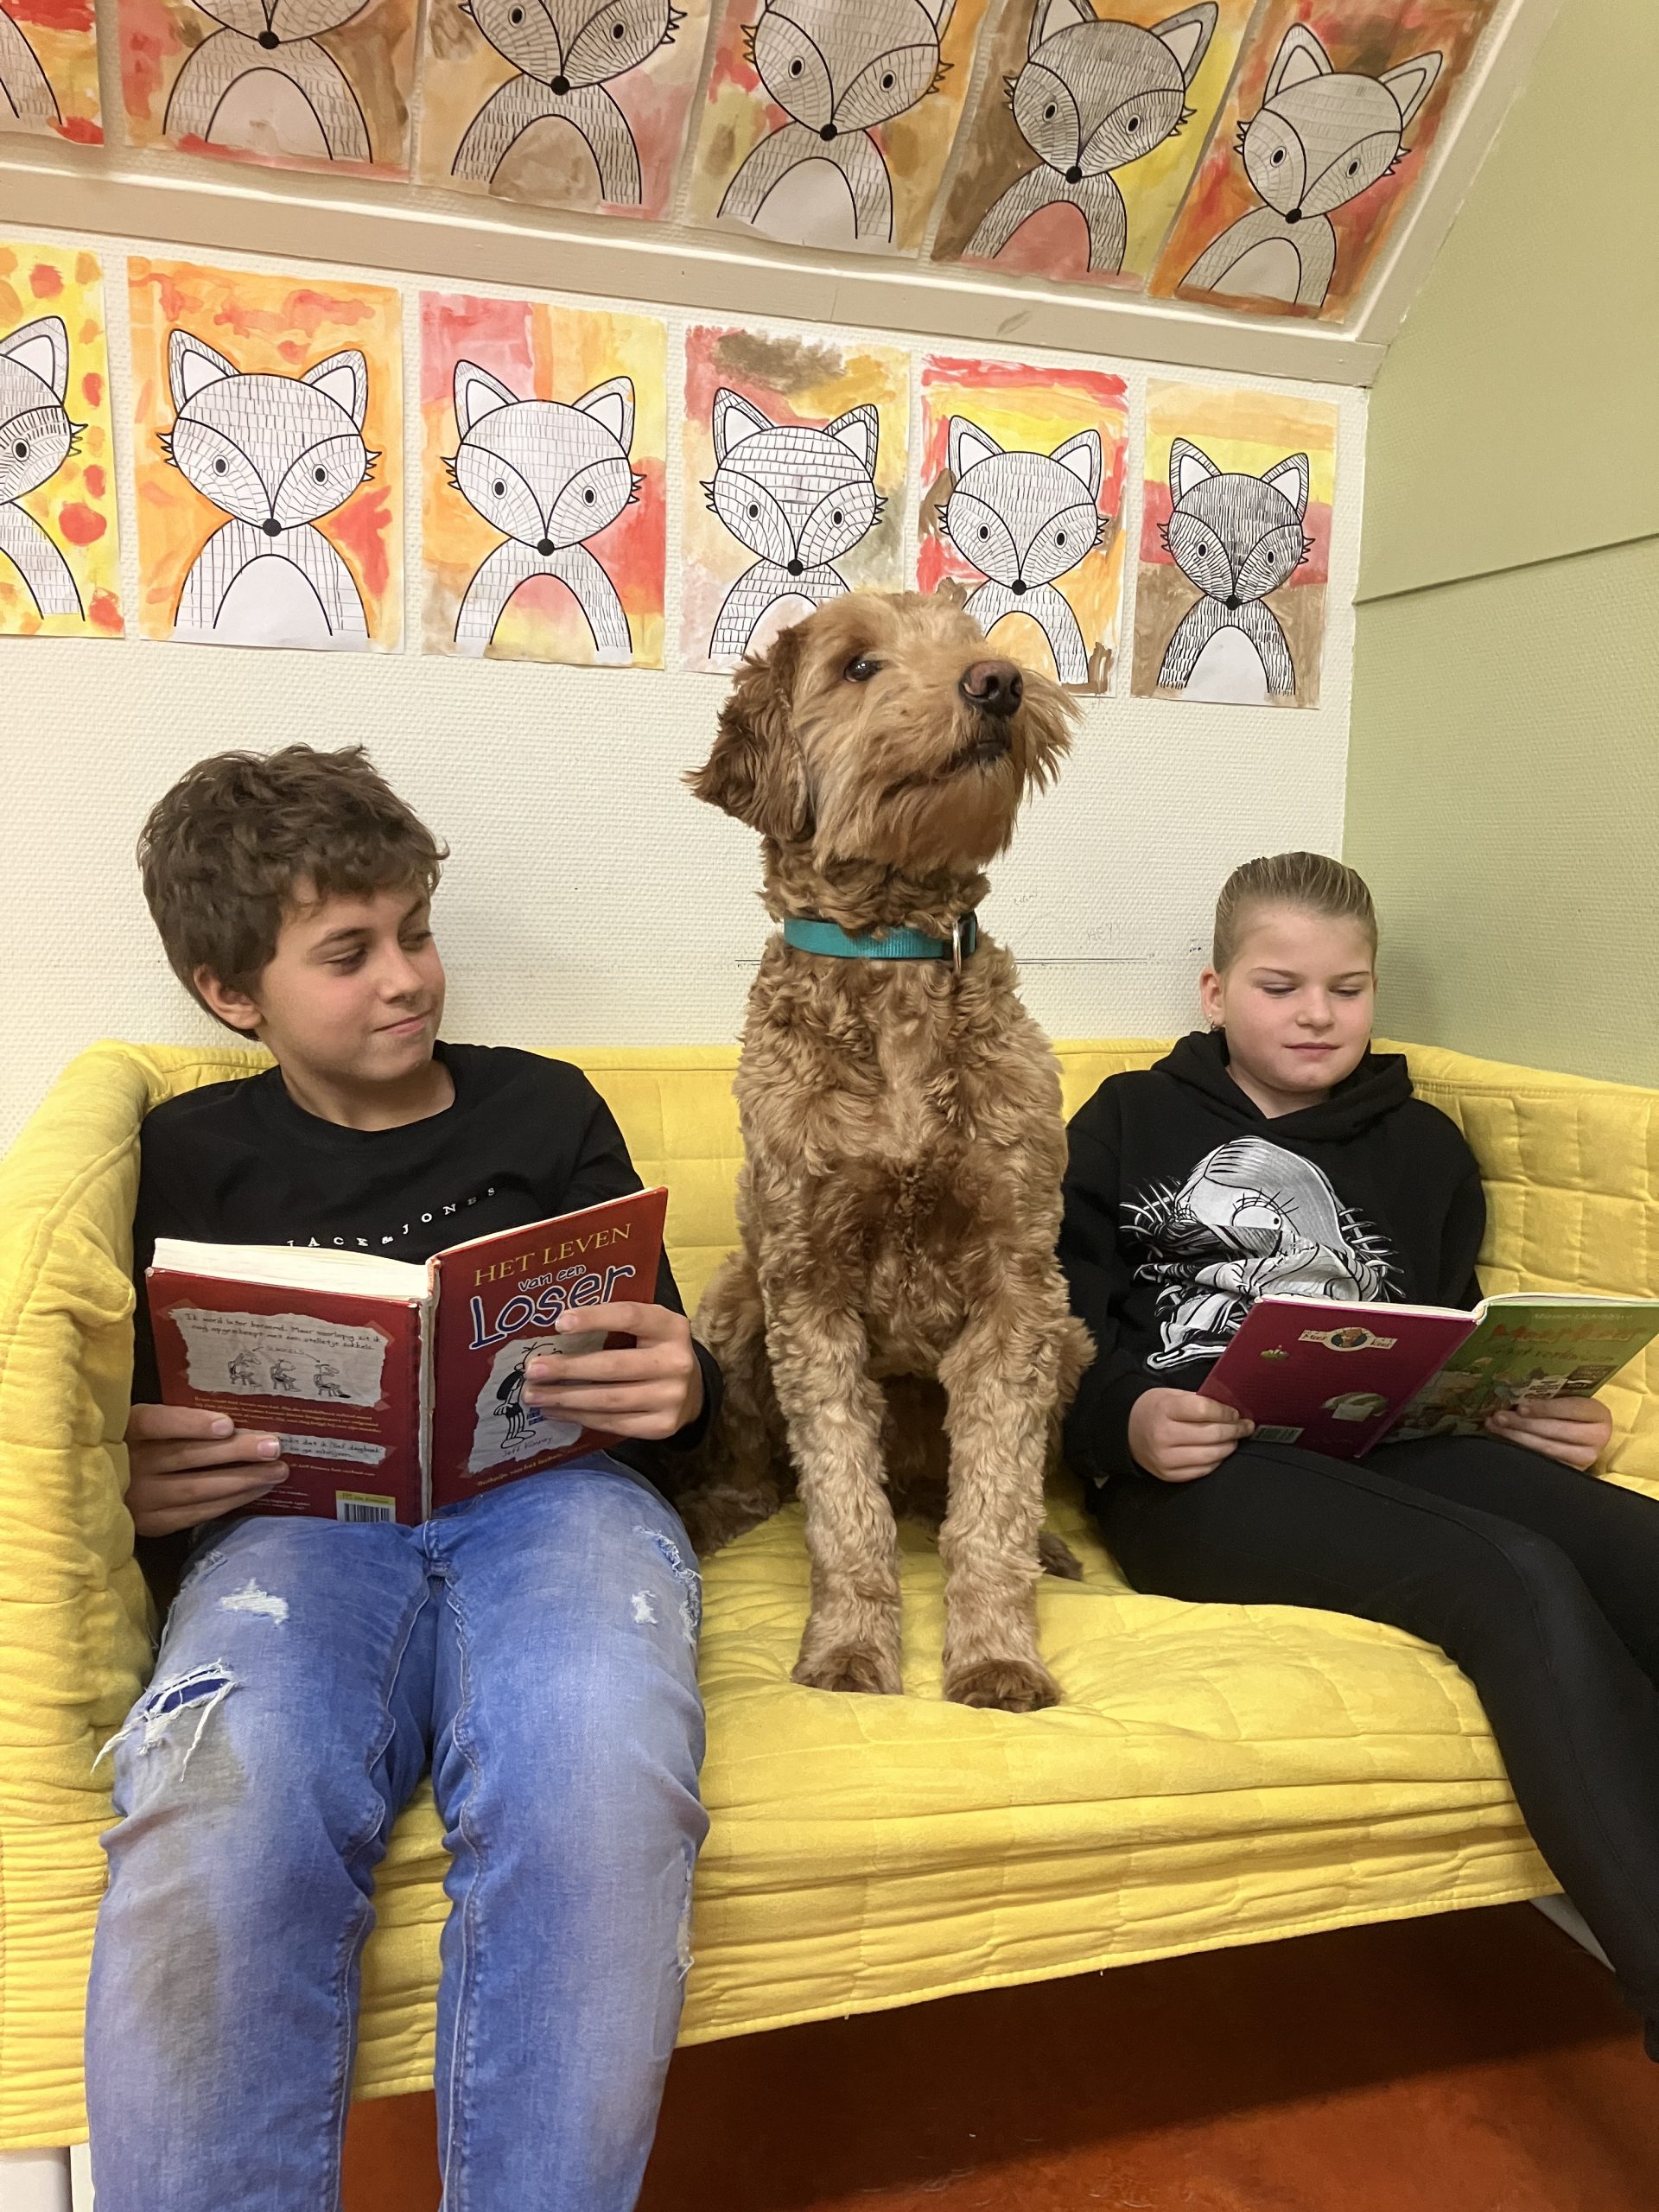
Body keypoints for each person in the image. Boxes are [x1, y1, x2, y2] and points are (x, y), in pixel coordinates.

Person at [86, 743, 720, 2210]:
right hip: (294, 1537)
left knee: (598, 1771)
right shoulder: (183, 1151)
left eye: (416, 932)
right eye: (349, 953)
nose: (409, 979)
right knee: (222, 1805)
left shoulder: (544, 1109)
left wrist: (685, 1382)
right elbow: (125, 1413)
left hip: (559, 1508)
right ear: (230, 995)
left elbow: (666, 1363)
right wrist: (133, 1476)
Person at [1059, 849, 1659, 2057]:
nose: (1318, 1014)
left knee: (1629, 1544)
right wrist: (1121, 1418)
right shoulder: (1126, 1121)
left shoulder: (1425, 1144)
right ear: (1214, 991)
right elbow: (1042, 1319)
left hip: (1387, 1446)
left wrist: (1535, 1413)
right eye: (1280, 986)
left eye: (1348, 987)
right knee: (1512, 1576)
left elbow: (1441, 1327)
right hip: (1198, 1475)